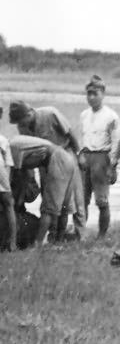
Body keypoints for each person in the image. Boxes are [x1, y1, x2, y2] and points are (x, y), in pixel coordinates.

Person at [9, 100, 85, 236]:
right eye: (18, 123)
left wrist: (79, 154)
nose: (21, 126)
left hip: (66, 153)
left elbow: (70, 133)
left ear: (29, 113)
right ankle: (53, 234)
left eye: (21, 121)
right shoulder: (23, 128)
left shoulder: (50, 113)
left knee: (73, 198)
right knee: (50, 199)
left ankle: (80, 234)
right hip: (45, 162)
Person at [76, 75, 119, 239]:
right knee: (82, 199)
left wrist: (112, 166)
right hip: (86, 157)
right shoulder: (84, 115)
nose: (91, 97)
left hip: (102, 158)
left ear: (103, 93)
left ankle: (101, 235)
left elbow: (116, 143)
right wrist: (80, 154)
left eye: (95, 93)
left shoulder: (111, 116)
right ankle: (81, 234)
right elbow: (82, 137)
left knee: (101, 201)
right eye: (89, 94)